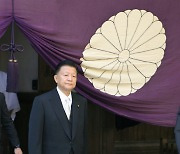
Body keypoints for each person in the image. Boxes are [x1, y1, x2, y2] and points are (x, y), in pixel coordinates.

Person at [28, 60, 88, 154]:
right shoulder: (42, 101)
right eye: (66, 75)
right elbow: (35, 138)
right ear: (56, 78)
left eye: (73, 76)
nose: (70, 79)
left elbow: (84, 135)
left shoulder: (81, 101)